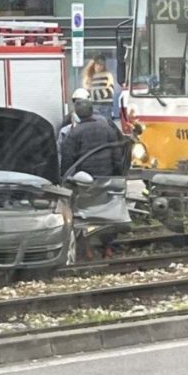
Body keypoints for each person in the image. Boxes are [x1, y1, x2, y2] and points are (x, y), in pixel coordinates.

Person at [61, 98, 123, 260]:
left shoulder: (74, 133)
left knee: (85, 216)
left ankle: (88, 250)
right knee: (108, 214)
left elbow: (67, 159)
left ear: (77, 114)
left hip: (84, 182)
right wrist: (118, 174)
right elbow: (117, 154)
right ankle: (108, 248)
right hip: (106, 178)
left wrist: (65, 178)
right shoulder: (107, 129)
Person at [82, 54, 115, 120]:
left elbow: (110, 90)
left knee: (106, 123)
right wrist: (100, 93)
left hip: (105, 105)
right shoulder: (88, 76)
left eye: (101, 65)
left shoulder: (108, 75)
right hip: (93, 106)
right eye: (97, 64)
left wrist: (95, 95)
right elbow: (86, 91)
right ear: (93, 65)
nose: (99, 67)